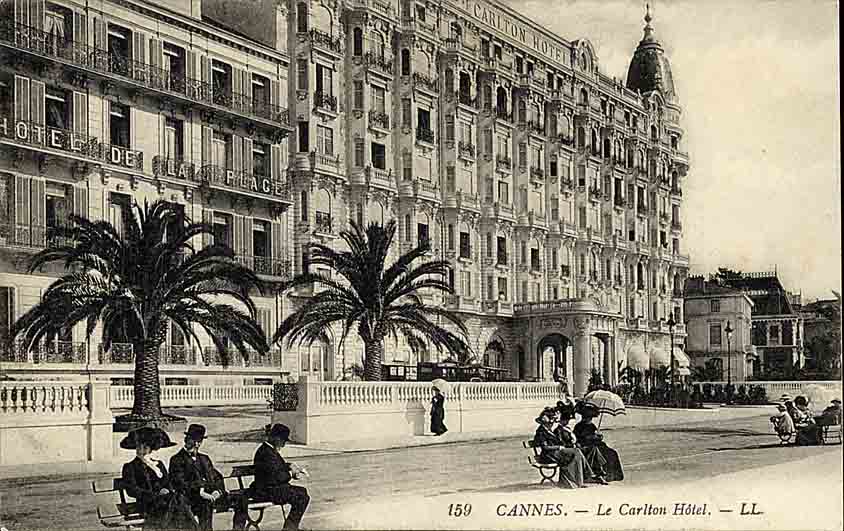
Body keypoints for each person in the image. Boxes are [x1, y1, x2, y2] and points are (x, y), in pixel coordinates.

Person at [170, 424, 249, 531]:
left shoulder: (204, 458)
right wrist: (200, 491)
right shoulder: (177, 460)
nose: (197, 444)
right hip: (194, 499)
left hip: (212, 496)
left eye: (199, 441)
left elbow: (217, 477)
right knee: (205, 504)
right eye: (194, 441)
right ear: (186, 440)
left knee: (241, 499)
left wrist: (218, 491)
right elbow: (179, 483)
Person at [120, 427, 199, 530]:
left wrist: (166, 489)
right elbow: (132, 490)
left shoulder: (159, 464)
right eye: (139, 446)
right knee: (177, 502)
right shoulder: (130, 466)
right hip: (146, 503)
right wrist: (155, 494)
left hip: (165, 502)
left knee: (176, 500)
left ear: (151, 448)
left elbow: (168, 483)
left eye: (145, 446)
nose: (141, 449)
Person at [250, 424, 310, 531]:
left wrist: (289, 465)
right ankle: (290, 528)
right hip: (267, 491)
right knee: (302, 497)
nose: (283, 444)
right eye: (283, 441)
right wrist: (291, 474)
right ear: (276, 438)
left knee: (302, 493)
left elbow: (278, 466)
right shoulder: (266, 453)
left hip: (271, 488)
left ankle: (291, 527)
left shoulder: (269, 449)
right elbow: (276, 476)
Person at [532, 407, 592, 489]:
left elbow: (561, 442)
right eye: (550, 421)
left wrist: (571, 437)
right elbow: (545, 447)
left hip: (556, 454)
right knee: (575, 452)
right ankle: (586, 474)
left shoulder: (551, 431)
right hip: (548, 455)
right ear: (545, 423)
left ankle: (577, 481)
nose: (551, 424)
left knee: (576, 452)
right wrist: (559, 447)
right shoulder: (540, 432)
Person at [573, 404, 624, 482]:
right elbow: (578, 439)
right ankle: (601, 474)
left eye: (590, 418)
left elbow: (596, 435)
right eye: (588, 418)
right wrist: (591, 437)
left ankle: (613, 475)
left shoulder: (592, 426)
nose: (589, 420)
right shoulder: (578, 426)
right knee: (604, 453)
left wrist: (598, 436)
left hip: (597, 444)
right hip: (587, 446)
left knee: (612, 452)